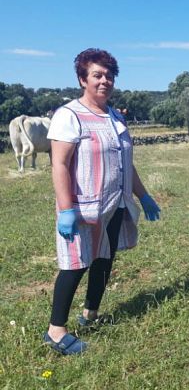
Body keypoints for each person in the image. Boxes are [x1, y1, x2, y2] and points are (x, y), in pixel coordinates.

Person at [43, 48, 161, 355]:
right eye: (97, 75)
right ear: (82, 79)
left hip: (115, 204)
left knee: (105, 260)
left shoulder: (115, 116)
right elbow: (59, 164)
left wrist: (143, 195)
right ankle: (56, 332)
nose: (104, 81)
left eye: (109, 75)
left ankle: (90, 314)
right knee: (75, 265)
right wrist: (66, 209)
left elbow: (127, 162)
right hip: (84, 207)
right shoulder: (69, 116)